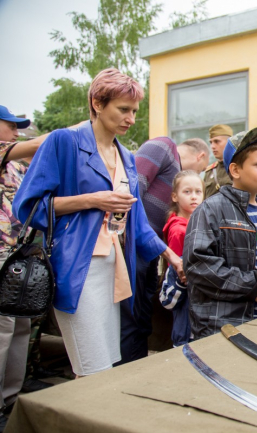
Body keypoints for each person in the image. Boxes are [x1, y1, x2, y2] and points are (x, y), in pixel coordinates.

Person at [13, 68, 185, 378]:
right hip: (77, 267)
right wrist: (93, 200)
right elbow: (27, 206)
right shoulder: (63, 141)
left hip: (115, 267)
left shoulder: (126, 156)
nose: (131, 118)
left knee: (104, 366)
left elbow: (137, 221)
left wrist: (171, 256)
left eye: (134, 111)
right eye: (124, 109)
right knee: (93, 368)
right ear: (97, 103)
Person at [184, 126, 257, 339]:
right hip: (220, 326)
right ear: (236, 171)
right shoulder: (210, 210)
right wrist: (251, 286)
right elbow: (198, 266)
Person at [118, 136, 209, 364]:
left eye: (198, 190)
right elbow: (131, 187)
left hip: (150, 249)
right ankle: (124, 372)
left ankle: (138, 369)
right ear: (201, 158)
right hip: (133, 245)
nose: (194, 195)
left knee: (142, 319)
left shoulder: (175, 172)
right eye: (202, 170)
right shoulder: (164, 146)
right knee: (130, 318)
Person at [0, 106, 51, 431]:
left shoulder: (17, 167)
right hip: (1, 256)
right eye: (11, 125)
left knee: (19, 326)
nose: (16, 132)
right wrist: (89, 123)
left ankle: (11, 398)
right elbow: (39, 144)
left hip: (20, 256)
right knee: (2, 330)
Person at [159, 170, 204, 346]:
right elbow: (178, 271)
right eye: (187, 191)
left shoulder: (197, 223)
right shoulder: (179, 230)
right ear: (174, 196)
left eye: (198, 191)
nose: (194, 197)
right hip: (186, 298)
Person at [203, 124, 233, 198]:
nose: (212, 146)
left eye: (217, 141)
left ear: (229, 142)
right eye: (211, 142)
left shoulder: (240, 168)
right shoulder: (209, 171)